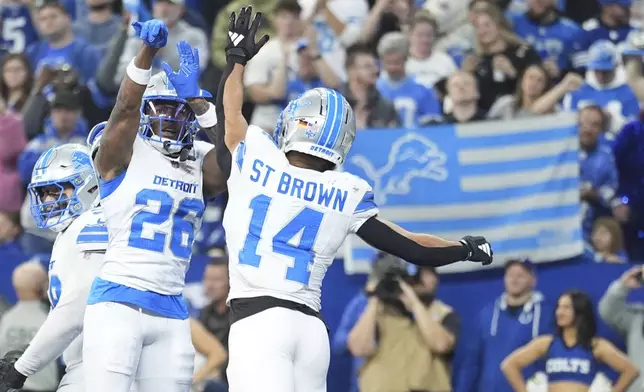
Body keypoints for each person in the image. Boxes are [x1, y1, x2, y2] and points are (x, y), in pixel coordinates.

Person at [209, 7, 494, 392]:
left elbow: (229, 113)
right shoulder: (345, 190)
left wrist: (236, 61)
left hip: (258, 322)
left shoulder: (256, 157)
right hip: (311, 331)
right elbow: (415, 249)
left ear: (294, 123)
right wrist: (464, 249)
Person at [82, 19, 226, 392]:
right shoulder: (123, 154)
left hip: (173, 310)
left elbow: (239, 161)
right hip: (118, 303)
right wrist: (146, 54)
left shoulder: (201, 159)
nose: (170, 118)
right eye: (162, 108)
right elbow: (126, 107)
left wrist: (200, 103)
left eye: (180, 111)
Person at [0, 143, 116, 392]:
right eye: (43, 193)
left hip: (102, 365)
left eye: (56, 191)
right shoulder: (71, 230)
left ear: (89, 186)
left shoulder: (90, 224)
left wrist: (24, 366)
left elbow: (78, 306)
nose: (48, 200)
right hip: (93, 362)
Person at [501, 290, 639, 392]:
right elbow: (509, 365)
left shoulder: (596, 345)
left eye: (566, 308)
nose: (559, 312)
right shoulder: (546, 343)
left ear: (580, 311)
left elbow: (631, 370)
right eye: (559, 307)